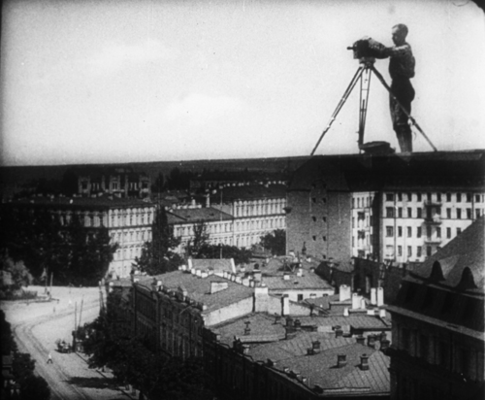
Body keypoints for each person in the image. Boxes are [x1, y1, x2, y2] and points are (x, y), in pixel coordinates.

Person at [367, 24, 416, 153]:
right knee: (396, 123)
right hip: (396, 86)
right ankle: (405, 152)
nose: (392, 37)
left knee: (401, 122)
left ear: (404, 35)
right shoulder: (397, 48)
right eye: (392, 35)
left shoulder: (405, 49)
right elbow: (383, 53)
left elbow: (386, 52)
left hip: (403, 86)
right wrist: (369, 49)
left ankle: (407, 154)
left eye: (396, 35)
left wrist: (370, 42)